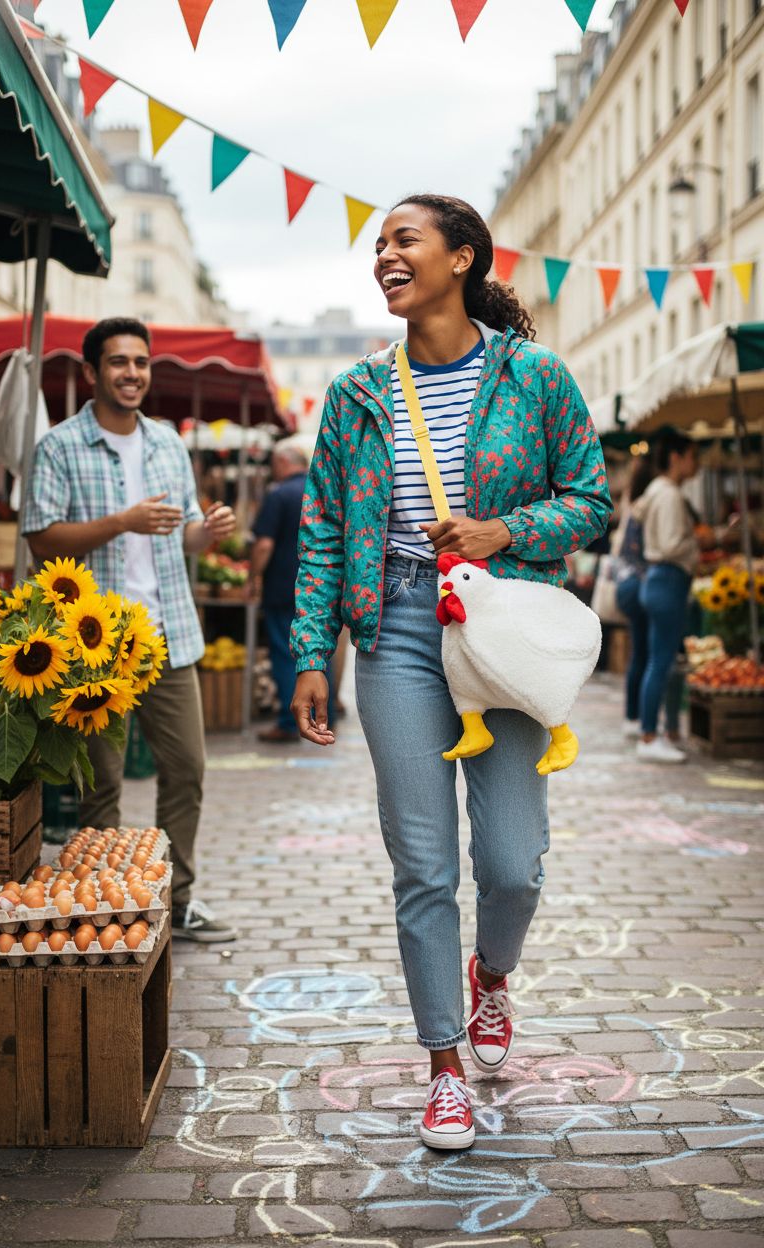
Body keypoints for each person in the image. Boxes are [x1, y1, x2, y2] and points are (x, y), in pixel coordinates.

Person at [288, 194, 611, 1151]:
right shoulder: (354, 395)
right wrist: (313, 654)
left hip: (499, 634)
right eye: (378, 244)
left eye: (405, 240)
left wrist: (504, 529)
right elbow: (321, 534)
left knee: (511, 864)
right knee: (423, 864)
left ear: (463, 258)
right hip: (394, 633)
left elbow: (590, 497)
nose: (385, 256)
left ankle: (493, 979)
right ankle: (443, 1068)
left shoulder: (537, 375)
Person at [22, 317, 238, 943]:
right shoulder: (60, 446)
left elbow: (187, 531)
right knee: (101, 786)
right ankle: (107, 910)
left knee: (187, 771)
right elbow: (40, 538)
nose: (132, 373)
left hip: (170, 635)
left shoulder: (168, 442)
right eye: (118, 362)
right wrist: (121, 522)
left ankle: (177, 899)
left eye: (140, 363)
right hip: (95, 651)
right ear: (92, 372)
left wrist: (209, 531)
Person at [630, 429, 699, 764]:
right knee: (661, 661)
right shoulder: (669, 494)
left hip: (656, 580)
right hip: (668, 578)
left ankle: (658, 730)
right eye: (692, 456)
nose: (695, 463)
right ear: (676, 457)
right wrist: (700, 541)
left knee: (659, 660)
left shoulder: (656, 490)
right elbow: (672, 544)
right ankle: (649, 734)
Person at [248, 443, 315, 742]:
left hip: (282, 587)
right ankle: (323, 715)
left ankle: (291, 723)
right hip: (318, 586)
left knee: (286, 653)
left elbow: (263, 545)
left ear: (282, 462)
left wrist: (252, 577)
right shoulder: (319, 489)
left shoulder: (278, 494)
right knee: (315, 650)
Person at [614, 455, 655, 738]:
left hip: (627, 584)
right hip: (641, 584)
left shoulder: (632, 503)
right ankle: (642, 722)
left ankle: (632, 715)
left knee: (639, 651)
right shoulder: (648, 505)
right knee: (647, 652)